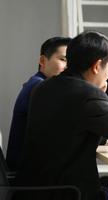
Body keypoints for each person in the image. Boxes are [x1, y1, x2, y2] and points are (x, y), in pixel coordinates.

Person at [14, 31, 108, 200]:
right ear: (97, 66)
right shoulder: (86, 95)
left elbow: (68, 130)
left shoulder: (43, 88)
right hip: (68, 193)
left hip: (33, 190)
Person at [6, 37, 71, 171]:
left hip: (30, 175)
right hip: (30, 181)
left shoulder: (37, 83)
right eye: (63, 59)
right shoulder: (40, 88)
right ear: (42, 61)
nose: (68, 67)